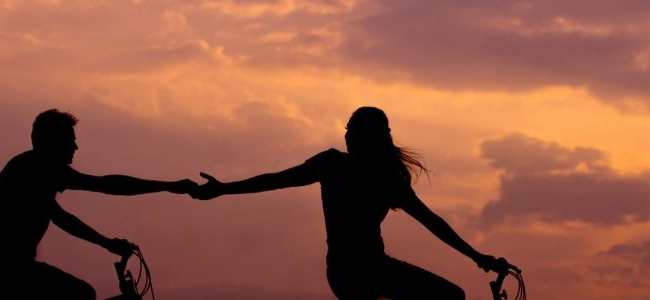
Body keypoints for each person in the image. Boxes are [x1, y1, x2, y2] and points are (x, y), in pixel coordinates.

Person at [190, 106, 513, 300]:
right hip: (363, 270)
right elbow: (276, 179)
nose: (347, 135)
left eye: (353, 130)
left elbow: (432, 222)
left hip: (351, 272)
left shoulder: (369, 173)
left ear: (367, 137)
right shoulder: (343, 167)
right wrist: (224, 189)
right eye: (348, 129)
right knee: (450, 297)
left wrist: (477, 257)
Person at [0, 109, 197, 300]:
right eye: (70, 140)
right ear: (53, 142)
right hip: (4, 269)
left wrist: (106, 242)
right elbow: (106, 185)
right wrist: (169, 185)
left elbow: (61, 217)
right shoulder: (36, 168)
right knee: (81, 294)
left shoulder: (32, 169)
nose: (75, 147)